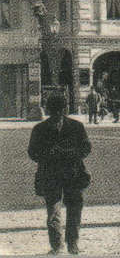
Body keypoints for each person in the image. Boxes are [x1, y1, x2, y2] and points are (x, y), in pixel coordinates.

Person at [28, 92, 91, 255]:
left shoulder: (76, 127)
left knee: (73, 211)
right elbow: (33, 152)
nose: (57, 115)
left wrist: (68, 153)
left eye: (59, 111)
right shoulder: (40, 129)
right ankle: (58, 246)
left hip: (73, 174)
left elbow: (86, 148)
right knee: (54, 213)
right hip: (51, 175)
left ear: (64, 110)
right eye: (54, 111)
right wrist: (50, 154)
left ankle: (71, 244)